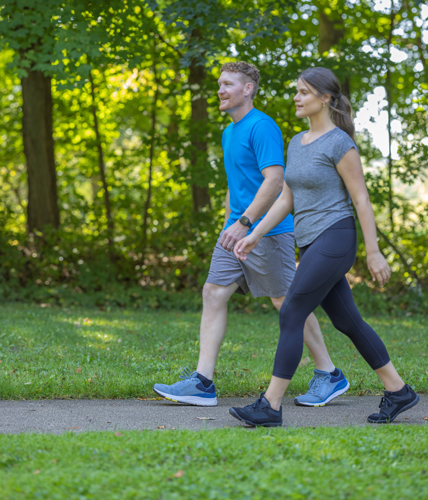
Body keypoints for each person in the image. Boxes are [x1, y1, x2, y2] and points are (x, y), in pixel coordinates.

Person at [229, 66, 419, 426]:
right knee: (348, 321)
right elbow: (286, 198)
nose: (296, 98)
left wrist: (374, 251)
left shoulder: (339, 144)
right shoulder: (296, 142)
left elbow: (361, 200)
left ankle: (270, 406)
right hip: (311, 241)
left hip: (336, 236)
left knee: (291, 311)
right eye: (297, 91)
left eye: (303, 92)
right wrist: (253, 232)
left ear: (325, 98)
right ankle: (398, 391)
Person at [152, 62, 349, 407]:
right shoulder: (230, 131)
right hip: (236, 228)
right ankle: (203, 382)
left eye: (227, 84)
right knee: (213, 292)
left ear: (247, 89)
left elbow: (275, 181)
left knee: (286, 302)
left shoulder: (262, 127)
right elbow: (236, 182)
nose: (220, 91)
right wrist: (229, 222)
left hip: (266, 231)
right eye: (218, 85)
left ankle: (329, 374)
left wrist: (247, 223)